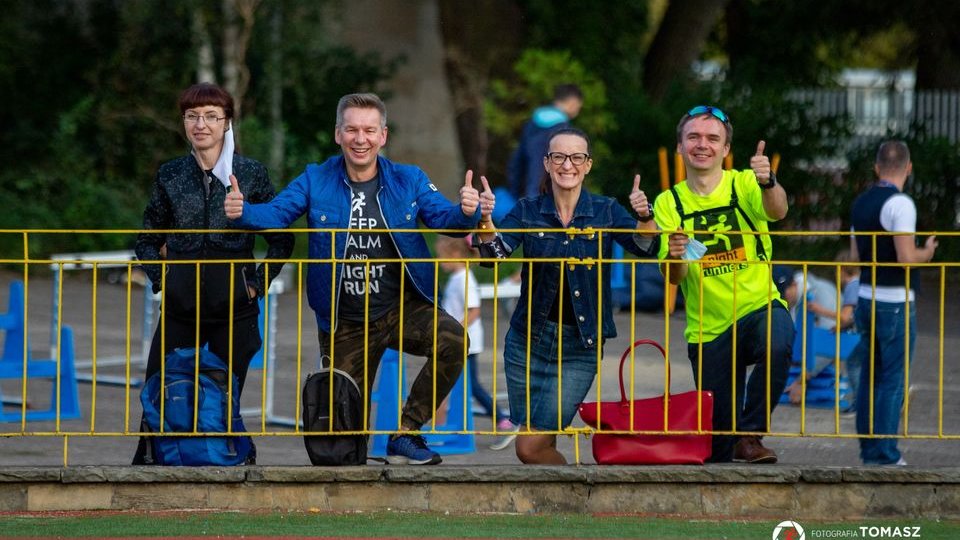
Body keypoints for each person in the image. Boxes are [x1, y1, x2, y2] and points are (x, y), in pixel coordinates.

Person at [224, 93, 489, 465]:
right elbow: (278, 214)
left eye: (368, 130)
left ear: (383, 136)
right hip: (344, 320)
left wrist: (466, 211)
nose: (359, 138)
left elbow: (445, 218)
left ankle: (406, 433)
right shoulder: (315, 179)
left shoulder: (408, 179)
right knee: (343, 450)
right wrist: (243, 212)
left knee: (453, 340)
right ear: (338, 134)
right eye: (351, 129)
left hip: (401, 308)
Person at [475, 127, 659, 464]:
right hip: (527, 342)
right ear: (547, 163)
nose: (567, 164)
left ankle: (576, 493)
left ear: (588, 165)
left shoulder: (605, 210)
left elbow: (646, 248)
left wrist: (645, 217)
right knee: (540, 442)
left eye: (576, 157)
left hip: (579, 347)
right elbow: (493, 257)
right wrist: (485, 220)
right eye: (558, 156)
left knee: (528, 446)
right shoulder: (527, 210)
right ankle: (558, 509)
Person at [133, 82, 295, 464]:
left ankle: (233, 461)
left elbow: (281, 240)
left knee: (227, 395)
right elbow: (145, 240)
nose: (200, 124)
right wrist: (163, 279)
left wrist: (255, 284)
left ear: (227, 122)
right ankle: (149, 466)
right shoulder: (170, 174)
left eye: (210, 116)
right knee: (160, 388)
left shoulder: (251, 174)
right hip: (179, 309)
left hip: (235, 311)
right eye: (192, 116)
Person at [652, 105, 794, 464]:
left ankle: (752, 434)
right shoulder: (668, 203)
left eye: (713, 138)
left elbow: (778, 212)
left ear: (726, 149)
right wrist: (674, 256)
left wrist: (769, 181)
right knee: (718, 449)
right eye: (694, 137)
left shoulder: (745, 182)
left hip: (757, 304)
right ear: (680, 147)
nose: (703, 145)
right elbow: (673, 278)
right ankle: (732, 442)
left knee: (778, 341)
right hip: (709, 329)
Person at [850, 140, 937, 466]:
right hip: (896, 302)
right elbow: (906, 257)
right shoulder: (900, 204)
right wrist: (926, 252)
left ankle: (869, 451)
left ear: (876, 167)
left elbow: (858, 256)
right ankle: (886, 454)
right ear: (909, 168)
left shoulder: (861, 203)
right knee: (892, 379)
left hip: (866, 297)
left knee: (869, 376)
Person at [434, 235, 517, 449]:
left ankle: (501, 420)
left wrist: (454, 331)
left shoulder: (465, 279)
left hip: (465, 342)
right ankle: (441, 428)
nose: (439, 261)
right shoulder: (456, 278)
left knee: (465, 386)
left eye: (441, 257)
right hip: (458, 341)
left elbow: (474, 311)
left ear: (454, 255)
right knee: (458, 385)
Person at [506, 84, 584, 203]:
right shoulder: (564, 131)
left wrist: (514, 193)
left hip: (526, 198)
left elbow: (516, 162)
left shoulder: (531, 123)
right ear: (572, 102)